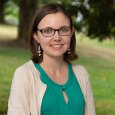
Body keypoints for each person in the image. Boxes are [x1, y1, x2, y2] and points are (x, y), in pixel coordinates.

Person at [7, 3, 96, 115]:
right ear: (36, 36)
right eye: (48, 31)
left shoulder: (81, 74)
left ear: (71, 32)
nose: (57, 37)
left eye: (63, 30)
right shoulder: (24, 75)